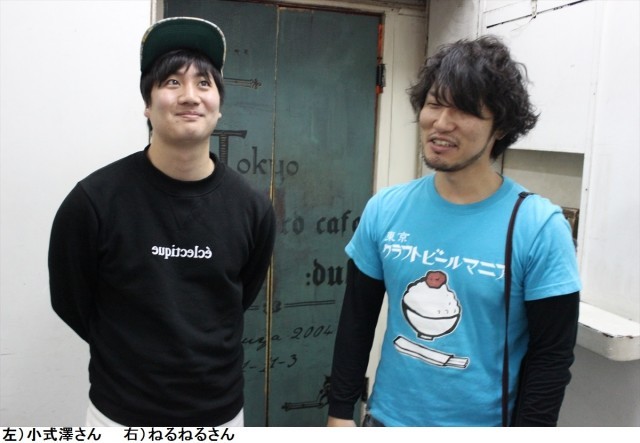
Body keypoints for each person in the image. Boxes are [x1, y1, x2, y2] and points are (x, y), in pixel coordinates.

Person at [327, 35, 581, 427]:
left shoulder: (538, 227)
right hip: (384, 420)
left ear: (501, 126)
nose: (441, 123)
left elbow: (551, 358)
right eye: (434, 104)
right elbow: (357, 321)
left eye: (463, 110)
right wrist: (340, 412)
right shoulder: (386, 209)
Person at [48, 17, 276, 427]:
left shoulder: (252, 208)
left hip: (220, 417)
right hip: (118, 417)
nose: (190, 96)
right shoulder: (94, 201)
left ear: (219, 105)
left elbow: (238, 298)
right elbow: (71, 301)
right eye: (172, 82)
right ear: (147, 104)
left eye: (204, 83)